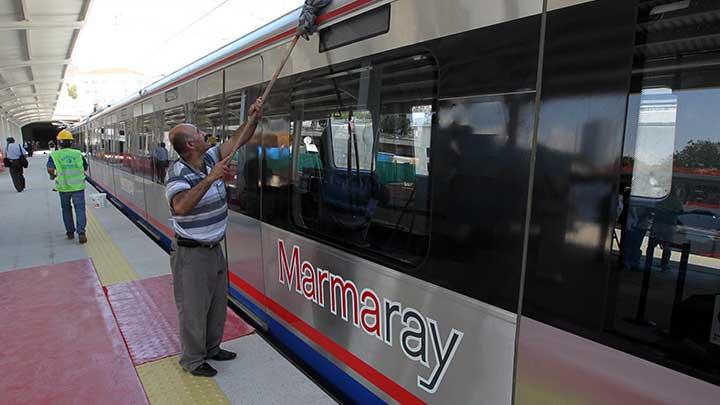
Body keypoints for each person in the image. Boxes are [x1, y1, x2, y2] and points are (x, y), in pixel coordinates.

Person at [165, 96, 263, 377]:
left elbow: (239, 140)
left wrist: (253, 118)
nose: (203, 134)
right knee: (194, 310)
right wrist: (211, 180)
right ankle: (193, 361)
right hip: (191, 253)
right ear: (191, 144)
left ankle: (212, 348)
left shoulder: (210, 158)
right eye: (198, 132)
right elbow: (181, 207)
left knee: (217, 303)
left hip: (213, 248)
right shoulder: (178, 172)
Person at [47, 130, 89, 244]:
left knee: (66, 209)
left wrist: (52, 176)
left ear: (59, 142)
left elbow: (50, 169)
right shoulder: (78, 154)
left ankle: (70, 232)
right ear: (71, 142)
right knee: (80, 209)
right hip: (78, 187)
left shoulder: (55, 155)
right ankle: (81, 233)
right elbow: (85, 167)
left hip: (63, 187)